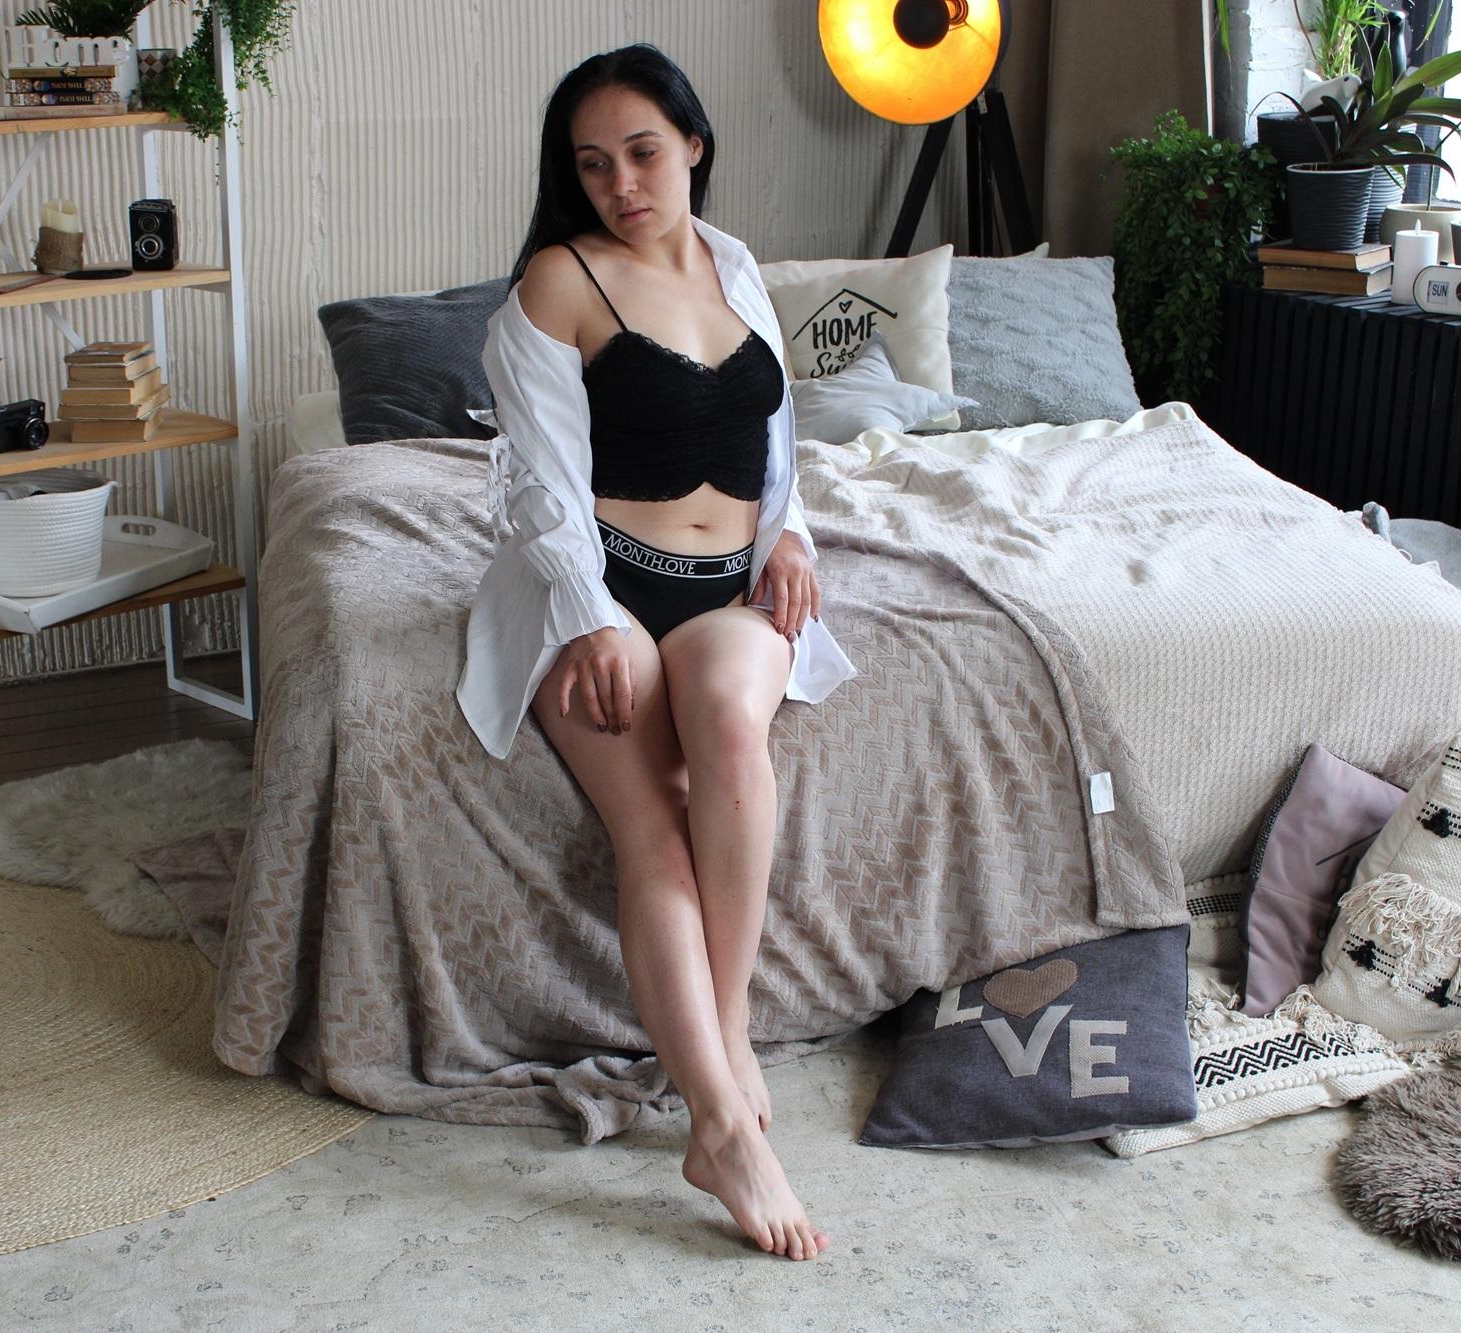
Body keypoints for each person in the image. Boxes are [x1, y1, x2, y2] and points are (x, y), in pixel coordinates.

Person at [454, 44, 857, 1261]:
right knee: (655, 829)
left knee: (729, 719)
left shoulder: (734, 265)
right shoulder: (558, 280)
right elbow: (534, 480)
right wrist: (587, 614)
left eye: (640, 152)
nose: (620, 184)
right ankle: (722, 1126)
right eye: (591, 165)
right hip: (600, 584)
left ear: (691, 144)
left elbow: (775, 433)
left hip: (729, 585)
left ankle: (715, 1043)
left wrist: (792, 534)